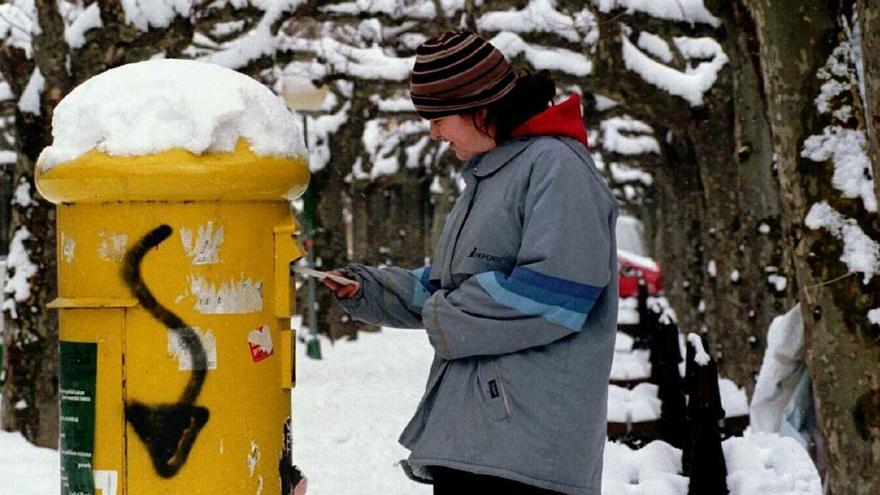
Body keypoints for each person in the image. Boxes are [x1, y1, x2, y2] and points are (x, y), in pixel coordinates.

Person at [322, 30, 618, 495]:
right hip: (480, 442)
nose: (433, 134)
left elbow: (556, 294)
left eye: (439, 119)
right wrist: (373, 291)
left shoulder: (556, 167)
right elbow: (452, 285)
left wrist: (444, 314)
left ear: (480, 108)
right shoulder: (492, 172)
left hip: (526, 451)